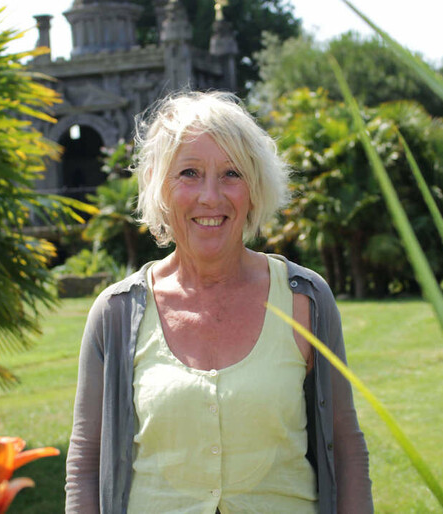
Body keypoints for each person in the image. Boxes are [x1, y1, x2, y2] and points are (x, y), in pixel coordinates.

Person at [64, 91, 372, 513]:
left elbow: (347, 446)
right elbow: (86, 462)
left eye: (231, 174)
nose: (210, 196)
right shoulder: (116, 314)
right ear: (159, 186)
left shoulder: (307, 300)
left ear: (255, 188)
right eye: (189, 173)